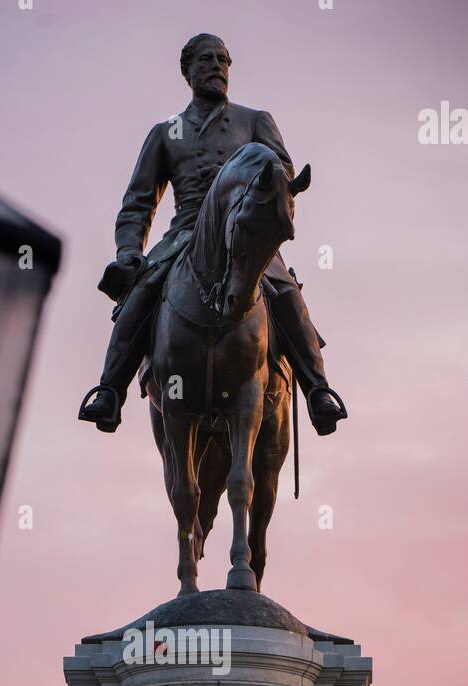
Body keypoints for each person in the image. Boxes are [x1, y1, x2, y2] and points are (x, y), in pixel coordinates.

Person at [78, 33, 347, 436]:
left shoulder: (254, 120)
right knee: (143, 290)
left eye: (223, 59)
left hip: (243, 230)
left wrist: (260, 208)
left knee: (287, 291)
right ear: (187, 71)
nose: (217, 66)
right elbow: (138, 202)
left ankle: (317, 391)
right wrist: (129, 251)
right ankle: (109, 390)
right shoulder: (165, 132)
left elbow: (282, 177)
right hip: (185, 233)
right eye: (207, 59)